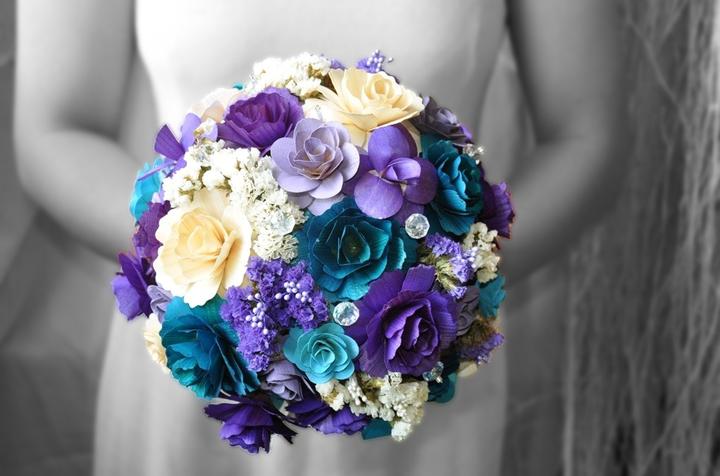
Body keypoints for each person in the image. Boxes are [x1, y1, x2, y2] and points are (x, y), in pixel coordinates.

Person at [14, 0, 624, 475]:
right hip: (199, 362)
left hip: (417, 373)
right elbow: (56, 129)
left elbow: (586, 136)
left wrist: (446, 288)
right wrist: (215, 281)